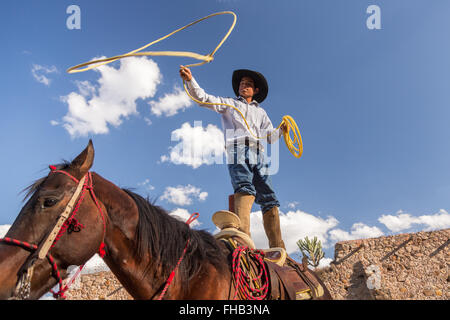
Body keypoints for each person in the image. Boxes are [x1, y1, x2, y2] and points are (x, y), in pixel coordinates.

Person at [179, 66, 286, 249]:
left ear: (255, 90)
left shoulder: (261, 113)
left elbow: (270, 137)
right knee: (244, 187)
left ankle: (278, 247)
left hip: (258, 152)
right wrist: (190, 80)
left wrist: (281, 131)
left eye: (248, 84)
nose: (243, 86)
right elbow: (203, 98)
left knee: (269, 196)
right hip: (237, 149)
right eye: (242, 83)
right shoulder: (229, 103)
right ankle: (244, 241)